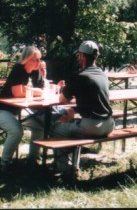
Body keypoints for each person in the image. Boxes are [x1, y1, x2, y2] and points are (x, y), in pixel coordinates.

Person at [50, 40, 114, 180]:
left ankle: (66, 171)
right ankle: (74, 167)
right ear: (96, 57)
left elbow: (62, 100)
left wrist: (64, 88)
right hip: (109, 124)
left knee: (56, 129)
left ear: (82, 56)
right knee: (73, 124)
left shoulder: (79, 76)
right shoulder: (103, 75)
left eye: (79, 55)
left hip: (92, 126)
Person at [0, 46, 46, 173]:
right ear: (26, 59)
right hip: (1, 110)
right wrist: (32, 91)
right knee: (16, 131)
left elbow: (42, 90)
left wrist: (29, 90)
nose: (38, 63)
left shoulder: (36, 71)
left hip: (20, 110)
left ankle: (33, 159)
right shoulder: (18, 69)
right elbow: (17, 93)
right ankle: (5, 164)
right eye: (35, 60)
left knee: (40, 127)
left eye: (39, 60)